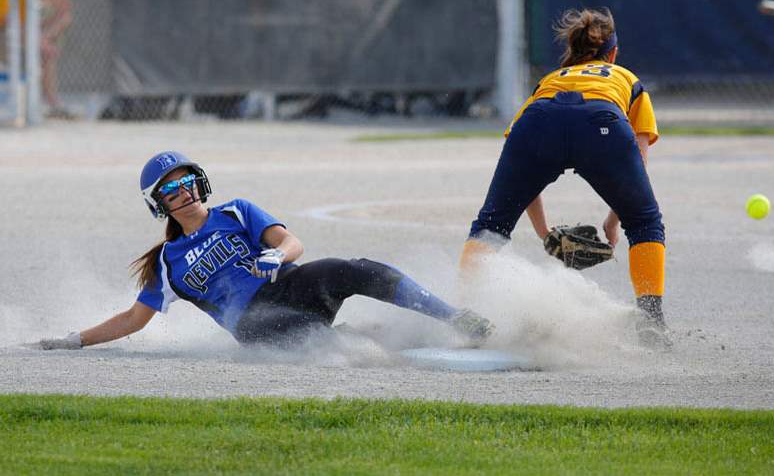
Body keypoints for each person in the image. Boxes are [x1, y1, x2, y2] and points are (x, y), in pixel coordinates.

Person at [40, 151, 493, 350]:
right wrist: (76, 340)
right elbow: (132, 320)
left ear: (199, 181)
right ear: (160, 205)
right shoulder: (166, 262)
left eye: (187, 181)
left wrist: (278, 256)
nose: (184, 193)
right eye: (171, 190)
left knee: (354, 268)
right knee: (309, 337)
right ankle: (371, 342)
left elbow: (290, 242)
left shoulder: (235, 211)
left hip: (288, 282)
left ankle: (455, 318)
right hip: (254, 323)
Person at [459, 7, 670, 350]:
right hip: (601, 122)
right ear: (613, 54)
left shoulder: (549, 81)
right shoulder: (626, 78)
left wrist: (547, 235)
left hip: (538, 120)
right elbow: (638, 161)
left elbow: (523, 176)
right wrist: (616, 218)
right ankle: (651, 323)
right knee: (646, 222)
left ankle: (463, 316)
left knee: (491, 224)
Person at [0, 0, 73, 119]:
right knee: (38, 45)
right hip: (6, 34)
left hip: (33, 33)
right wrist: (37, 41)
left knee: (46, 47)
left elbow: (65, 10)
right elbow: (6, 21)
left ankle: (51, 105)